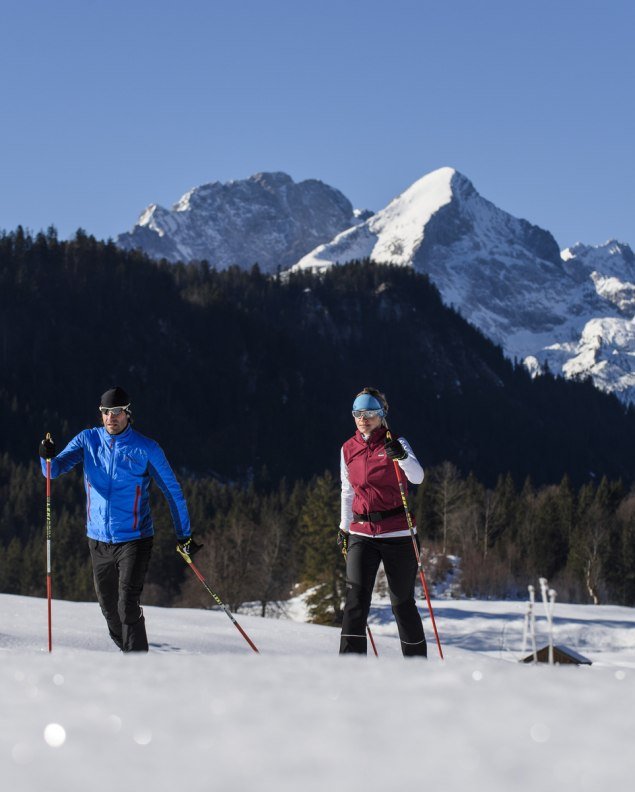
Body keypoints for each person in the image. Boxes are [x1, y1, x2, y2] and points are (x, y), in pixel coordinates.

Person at [38, 386, 197, 653]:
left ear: (127, 413)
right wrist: (46, 457)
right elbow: (54, 471)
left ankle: (138, 669)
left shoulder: (146, 449)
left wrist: (185, 536)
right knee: (109, 609)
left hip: (135, 539)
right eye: (105, 412)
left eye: (117, 412)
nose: (111, 417)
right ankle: (130, 655)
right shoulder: (88, 440)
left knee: (127, 605)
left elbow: (173, 492)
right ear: (100, 415)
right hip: (98, 540)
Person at [338, 387, 427, 657]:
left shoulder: (397, 442)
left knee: (401, 604)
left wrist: (401, 457)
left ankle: (416, 667)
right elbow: (347, 490)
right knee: (355, 602)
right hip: (360, 533)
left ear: (381, 414)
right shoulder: (348, 449)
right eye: (357, 413)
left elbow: (418, 477)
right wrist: (344, 528)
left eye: (370, 413)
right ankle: (349, 668)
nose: (363, 419)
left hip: (398, 533)